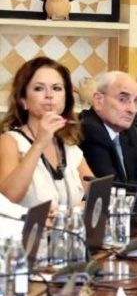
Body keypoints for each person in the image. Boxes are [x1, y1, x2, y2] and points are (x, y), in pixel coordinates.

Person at [0, 57, 93, 208]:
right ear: (23, 100)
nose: (49, 95)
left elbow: (98, 196)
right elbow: (8, 198)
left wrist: (78, 209)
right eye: (39, 88)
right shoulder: (9, 141)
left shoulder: (69, 147)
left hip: (68, 224)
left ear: (65, 100)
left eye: (57, 88)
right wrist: (39, 144)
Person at [79, 71, 137, 185]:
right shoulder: (89, 129)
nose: (132, 110)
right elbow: (112, 187)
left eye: (136, 102)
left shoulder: (127, 132)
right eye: (122, 99)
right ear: (98, 100)